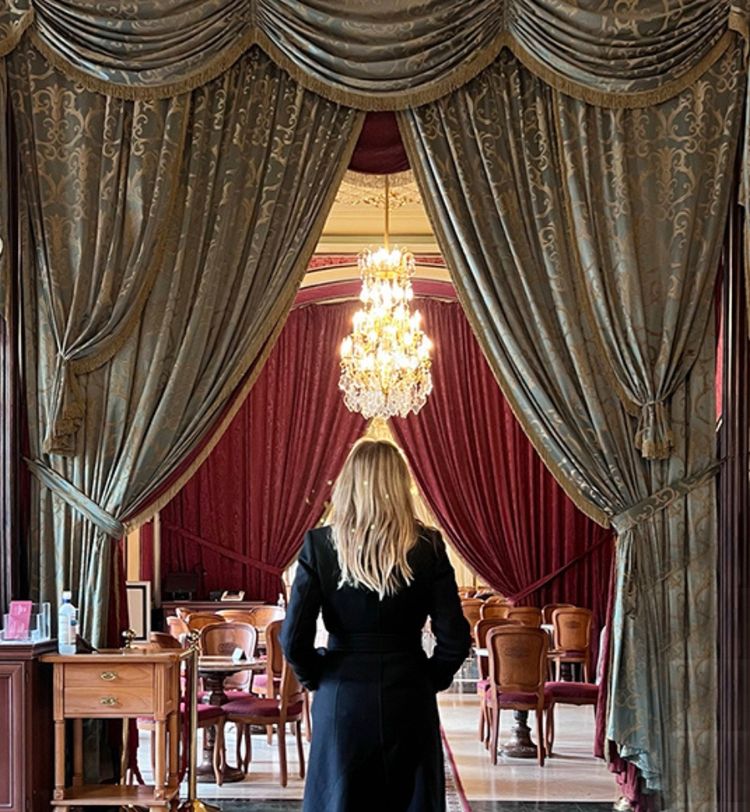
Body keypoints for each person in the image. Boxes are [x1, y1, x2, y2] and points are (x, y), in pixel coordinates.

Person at [281, 439, 471, 812]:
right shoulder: (428, 545)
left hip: (342, 694)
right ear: (402, 485)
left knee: (341, 801)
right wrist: (429, 678)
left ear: (348, 484)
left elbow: (292, 639)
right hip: (409, 693)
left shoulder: (320, 545)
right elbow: (455, 638)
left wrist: (318, 676)